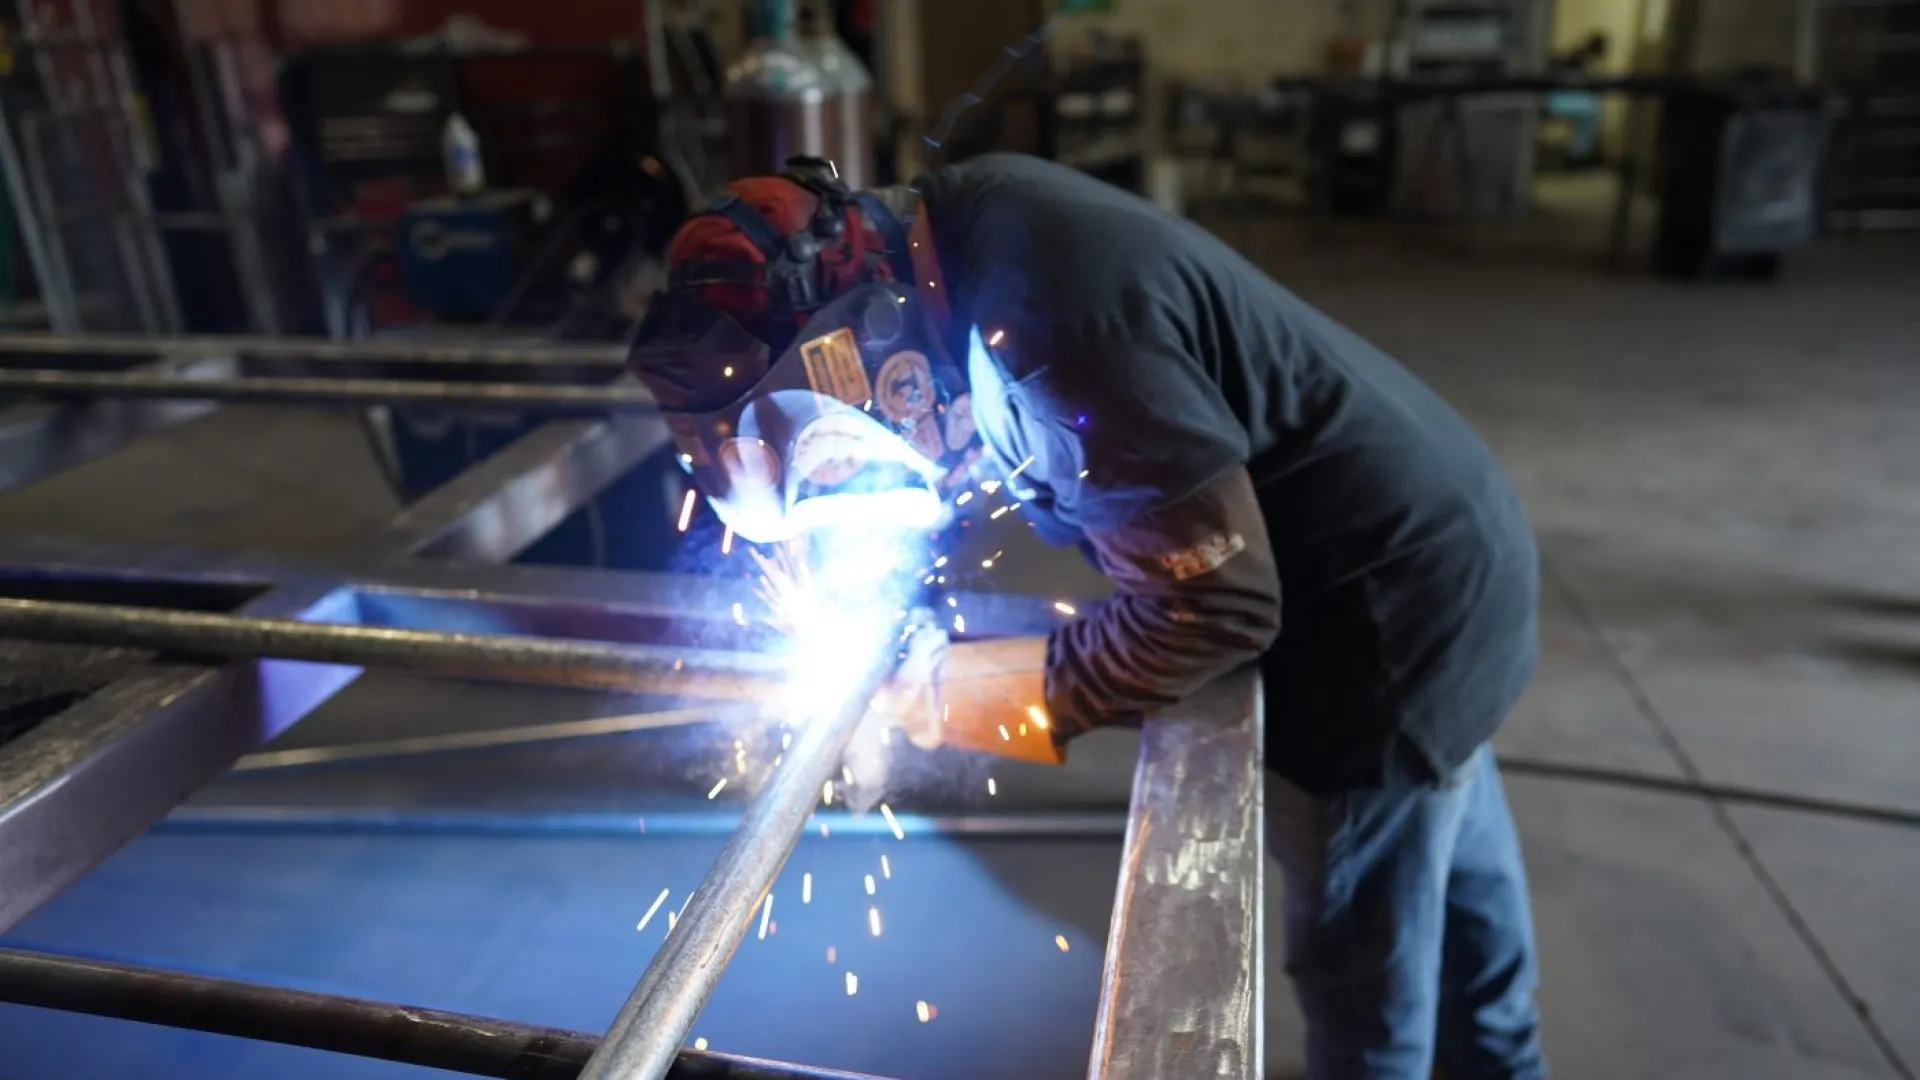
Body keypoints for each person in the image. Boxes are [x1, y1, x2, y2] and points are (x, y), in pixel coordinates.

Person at [629, 153, 1547, 1080]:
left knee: (1369, 1027)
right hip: (1452, 559)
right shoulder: (965, 235)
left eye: (832, 458)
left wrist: (966, 695)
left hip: (1377, 643)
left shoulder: (1038, 338)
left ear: (864, 352)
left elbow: (1214, 604)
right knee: (1483, 996)